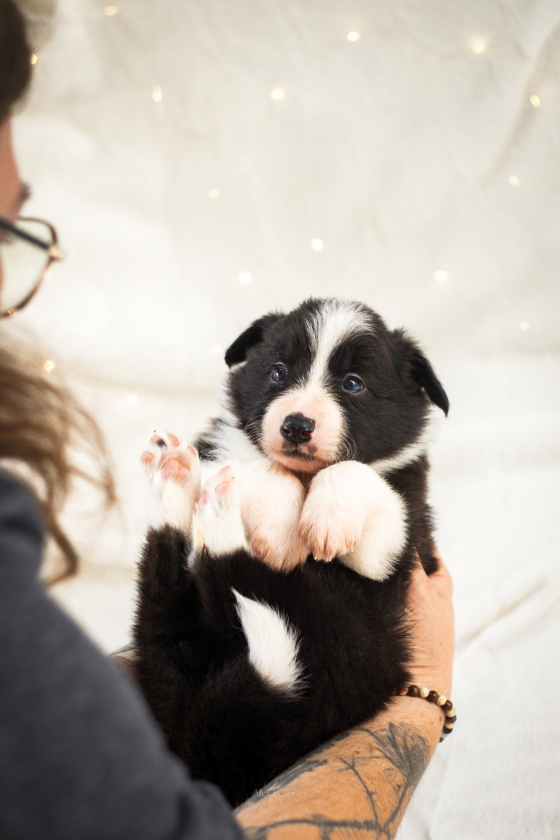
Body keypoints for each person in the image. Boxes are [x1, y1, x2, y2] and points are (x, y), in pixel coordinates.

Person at [0, 2, 455, 838]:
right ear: (250, 368)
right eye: (282, 373)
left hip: (289, 684)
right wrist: (428, 691)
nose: (298, 406)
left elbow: (380, 546)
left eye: (349, 385)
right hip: (231, 697)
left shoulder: (381, 480)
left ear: (410, 399)